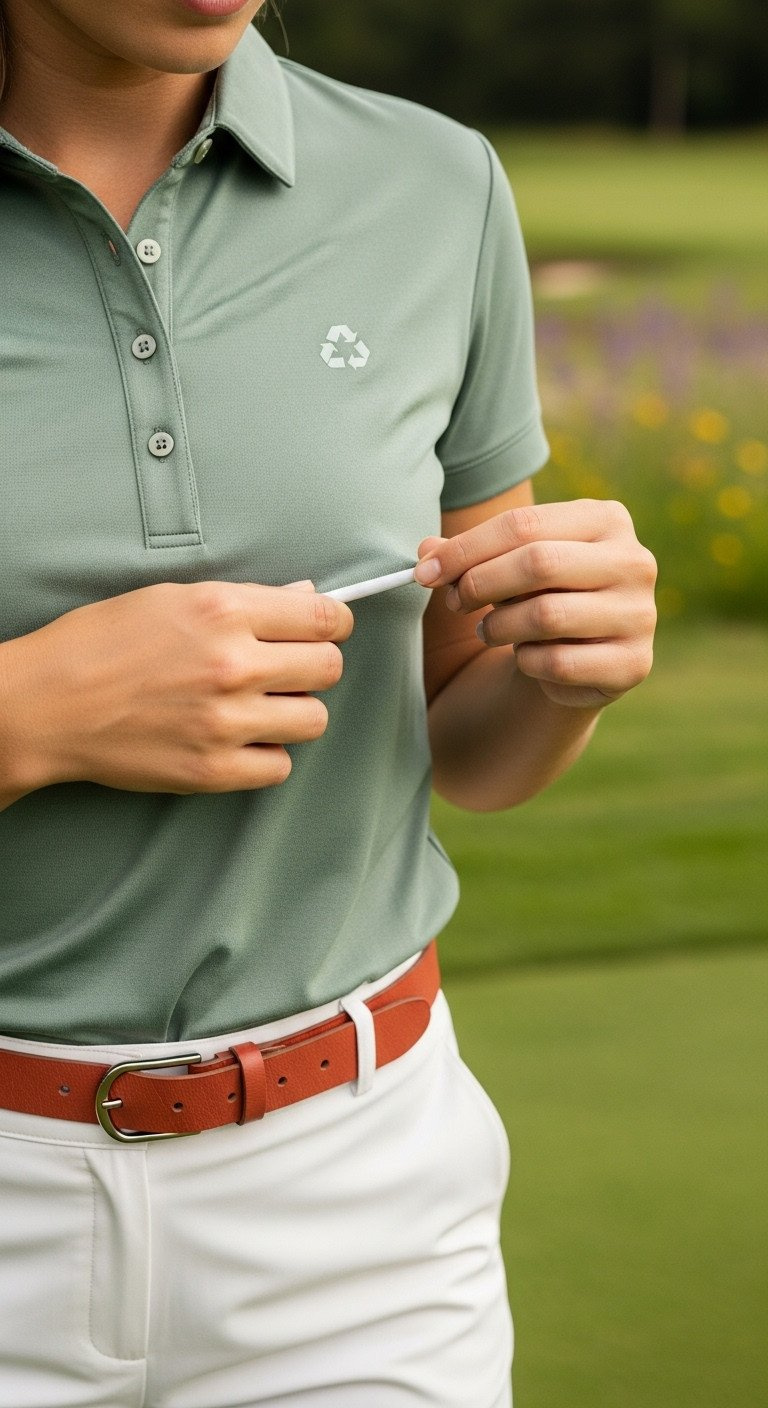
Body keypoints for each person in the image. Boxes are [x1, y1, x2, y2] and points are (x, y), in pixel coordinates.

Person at [0, 2, 657, 1405]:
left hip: (355, 1222)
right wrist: (28, 717)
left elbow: (465, 733)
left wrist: (564, 670)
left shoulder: (434, 185)